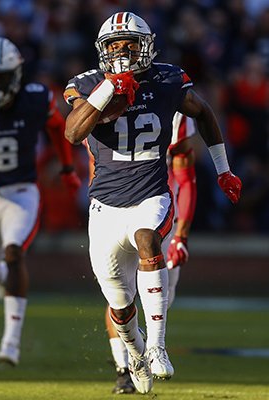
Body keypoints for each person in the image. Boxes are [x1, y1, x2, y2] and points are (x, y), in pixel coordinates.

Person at [63, 12, 242, 394]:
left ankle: (158, 347)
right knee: (119, 302)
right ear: (102, 50)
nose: (123, 51)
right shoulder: (87, 83)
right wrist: (110, 89)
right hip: (105, 206)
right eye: (115, 45)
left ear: (146, 46)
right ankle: (135, 355)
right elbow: (73, 133)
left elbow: (204, 113)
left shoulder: (166, 79)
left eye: (130, 43)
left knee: (148, 240)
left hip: (151, 193)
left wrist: (223, 169)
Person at [0, 36, 81, 366]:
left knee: (14, 252)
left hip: (22, 191)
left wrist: (66, 167)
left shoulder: (35, 99)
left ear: (16, 75)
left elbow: (56, 127)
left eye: (0, 77)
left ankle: (11, 343)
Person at [103, 112, 198, 394]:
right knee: (119, 292)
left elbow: (186, 178)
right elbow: (98, 167)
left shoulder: (176, 113)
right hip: (118, 206)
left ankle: (148, 344)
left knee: (160, 300)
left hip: (162, 212)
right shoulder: (106, 106)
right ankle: (124, 368)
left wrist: (181, 234)